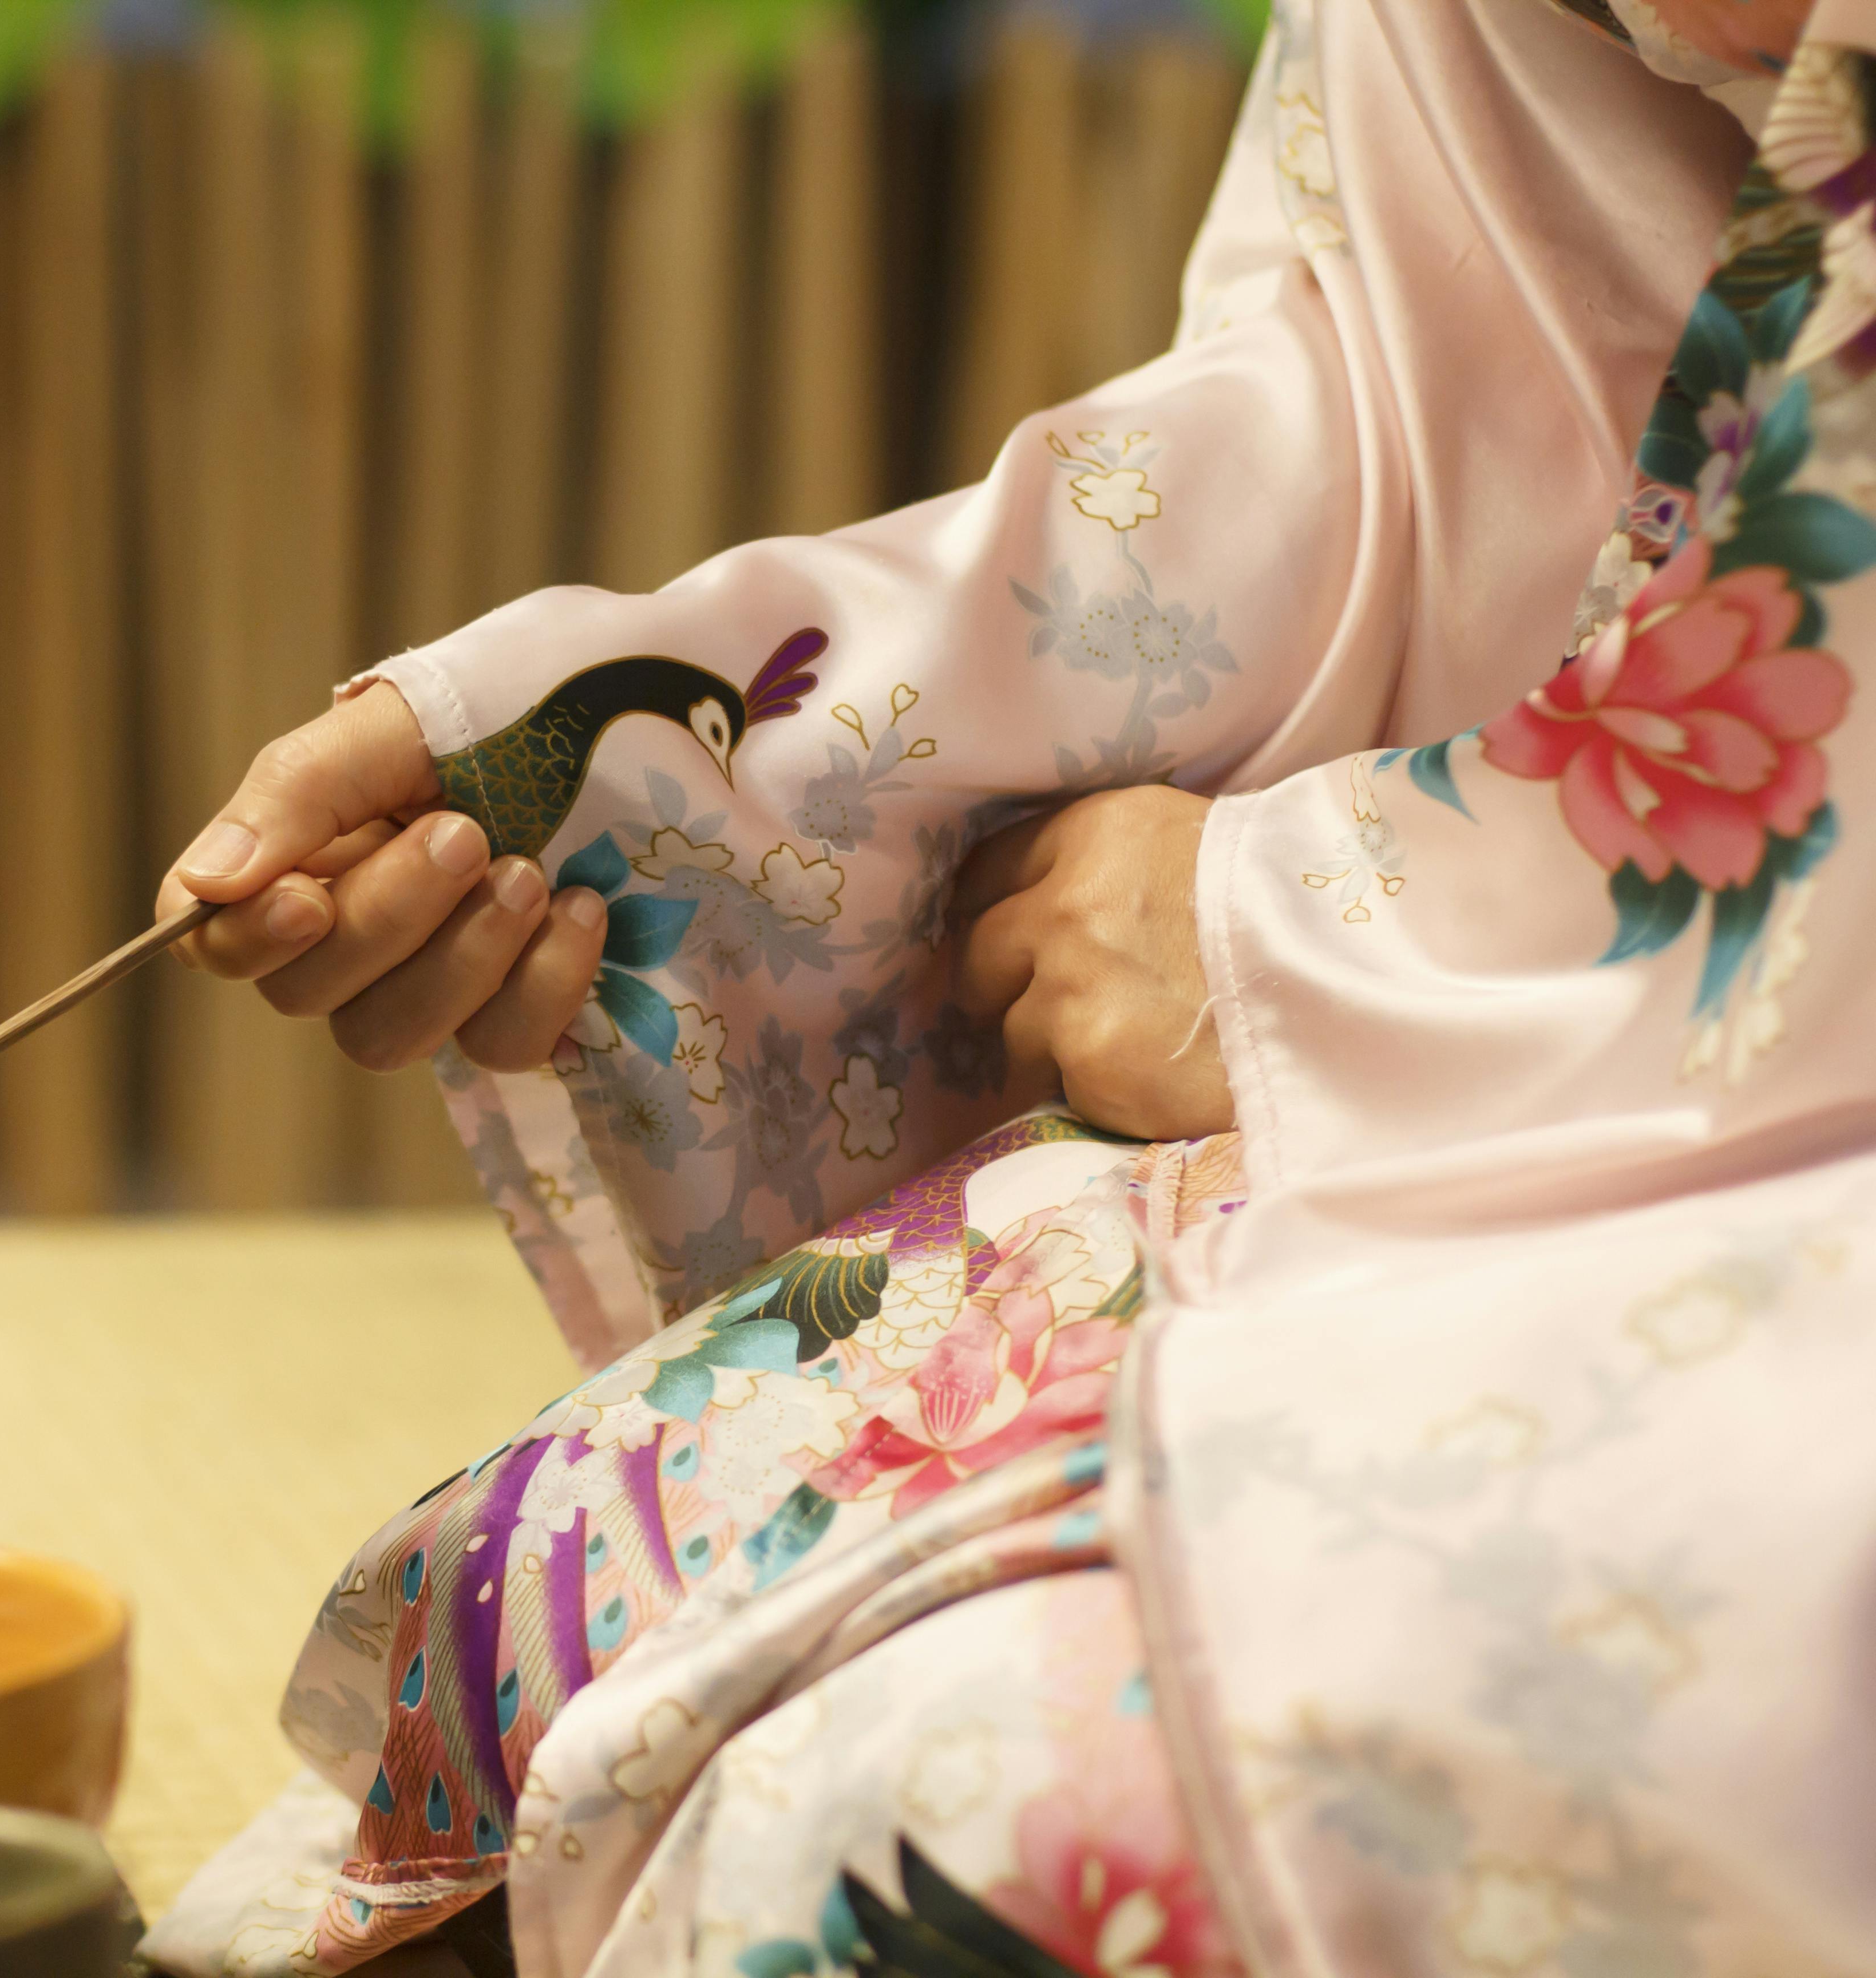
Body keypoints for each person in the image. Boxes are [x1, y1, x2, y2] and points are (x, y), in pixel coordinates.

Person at [138, 0, 1876, 1972]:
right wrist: (671, 753)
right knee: (538, 1605)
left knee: (977, 1822)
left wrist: (1313, 933)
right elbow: (1417, 389)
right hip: (1606, 967)